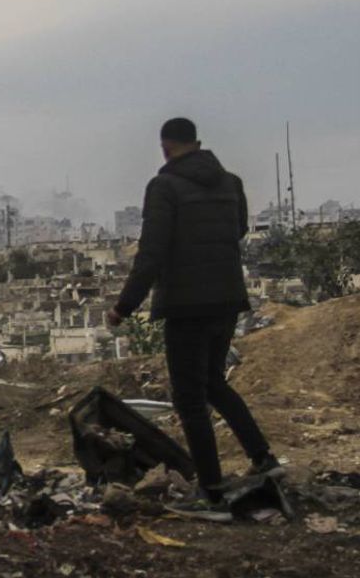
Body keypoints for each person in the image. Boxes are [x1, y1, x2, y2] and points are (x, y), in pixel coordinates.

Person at [107, 118, 281, 521]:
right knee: (214, 383)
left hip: (186, 303)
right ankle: (263, 458)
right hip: (227, 298)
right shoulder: (231, 183)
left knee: (189, 399)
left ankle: (212, 494)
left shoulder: (164, 187)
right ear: (197, 143)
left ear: (166, 147)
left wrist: (124, 307)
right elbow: (237, 231)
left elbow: (151, 253)